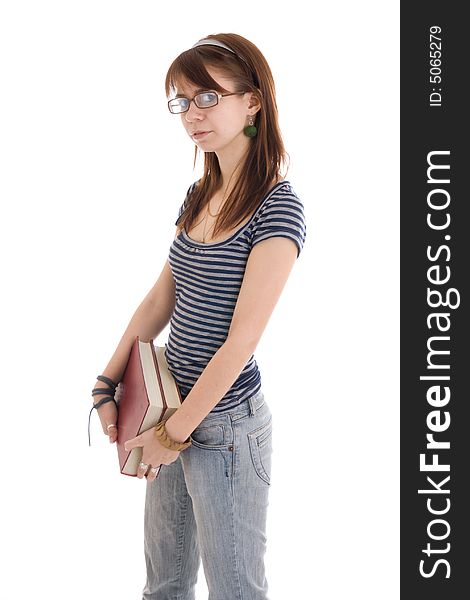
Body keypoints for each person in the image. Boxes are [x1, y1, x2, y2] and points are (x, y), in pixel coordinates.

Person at [90, 32, 307, 600]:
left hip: (225, 427)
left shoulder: (278, 207)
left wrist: (173, 437)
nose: (192, 114)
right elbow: (160, 300)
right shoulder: (198, 193)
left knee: (234, 590)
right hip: (171, 409)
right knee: (164, 585)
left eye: (209, 97)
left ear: (253, 102)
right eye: (181, 101)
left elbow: (240, 343)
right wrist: (106, 381)